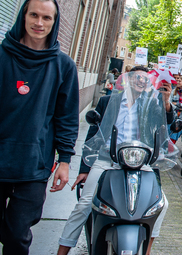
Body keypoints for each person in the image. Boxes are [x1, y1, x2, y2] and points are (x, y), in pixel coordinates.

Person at [57, 70, 174, 255]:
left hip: (139, 160)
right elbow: (93, 135)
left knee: (161, 204)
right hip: (107, 160)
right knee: (85, 204)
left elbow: (167, 121)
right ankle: (62, 250)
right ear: (128, 79)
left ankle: (147, 250)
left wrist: (166, 100)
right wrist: (85, 168)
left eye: (146, 79)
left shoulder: (152, 104)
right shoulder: (108, 101)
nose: (141, 81)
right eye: (137, 77)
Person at [0, 0, 79, 254]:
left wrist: (64, 160)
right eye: (34, 15)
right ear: (23, 16)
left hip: (34, 164)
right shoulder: (2, 56)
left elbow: (66, 117)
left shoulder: (64, 66)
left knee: (16, 235)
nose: (39, 23)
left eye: (47, 18)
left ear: (54, 23)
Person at [169, 76, 182, 143]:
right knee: (169, 136)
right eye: (177, 81)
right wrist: (180, 106)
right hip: (173, 117)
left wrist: (177, 104)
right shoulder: (173, 92)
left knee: (174, 137)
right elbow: (169, 103)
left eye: (179, 81)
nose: (177, 82)